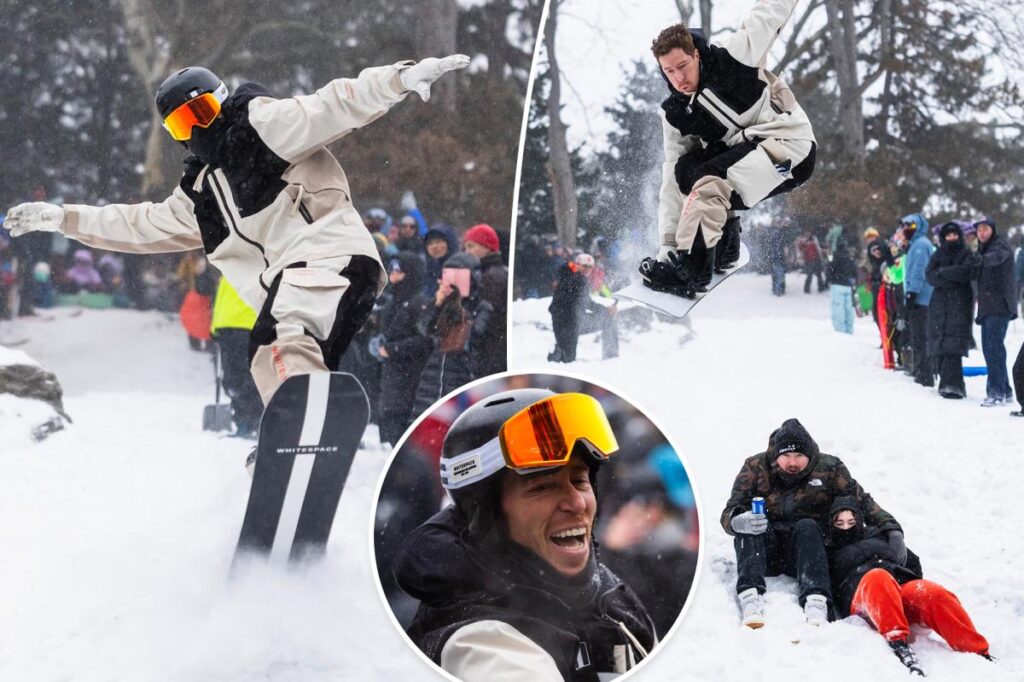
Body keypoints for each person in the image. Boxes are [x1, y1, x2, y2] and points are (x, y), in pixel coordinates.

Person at [6, 56, 468, 419]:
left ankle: (302, 424)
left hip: (329, 257)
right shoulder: (199, 196)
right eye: (182, 125)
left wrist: (399, 79)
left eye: (202, 112)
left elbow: (334, 104)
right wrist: (63, 218)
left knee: (278, 337)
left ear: (221, 101)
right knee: (268, 356)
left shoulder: (261, 125)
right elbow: (136, 225)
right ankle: (292, 440)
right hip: (308, 286)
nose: (197, 129)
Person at [393, 389, 656, 681]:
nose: (577, 503)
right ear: (487, 513)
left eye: (579, 480)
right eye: (543, 487)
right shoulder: (483, 643)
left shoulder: (608, 594)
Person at [639, 0, 816, 298]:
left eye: (683, 66)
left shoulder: (734, 57)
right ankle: (723, 248)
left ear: (696, 55)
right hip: (747, 154)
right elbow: (672, 179)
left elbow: (771, 12)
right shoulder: (676, 114)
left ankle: (691, 271)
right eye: (669, 71)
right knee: (686, 172)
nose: (679, 79)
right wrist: (668, 243)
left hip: (790, 148)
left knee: (710, 180)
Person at [720, 418, 901, 628]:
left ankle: (816, 600)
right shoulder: (755, 466)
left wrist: (892, 529)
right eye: (786, 456)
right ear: (776, 455)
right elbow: (732, 508)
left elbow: (861, 501)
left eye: (799, 456)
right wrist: (736, 521)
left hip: (810, 553)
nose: (793, 462)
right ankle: (750, 597)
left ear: (810, 455)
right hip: (764, 551)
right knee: (750, 522)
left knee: (807, 525)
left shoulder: (830, 468)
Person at [826, 498, 992, 676]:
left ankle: (976, 649)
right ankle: (897, 641)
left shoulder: (877, 535)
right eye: (840, 523)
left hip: (896, 584)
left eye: (851, 522)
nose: (846, 527)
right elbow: (823, 581)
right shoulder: (828, 547)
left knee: (930, 593)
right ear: (831, 524)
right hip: (862, 595)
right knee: (878, 577)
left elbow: (910, 560)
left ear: (859, 520)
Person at [375, 253, 432, 446]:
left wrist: (393, 349)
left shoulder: (420, 304)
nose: (393, 276)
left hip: (411, 378)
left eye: (399, 272)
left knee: (405, 430)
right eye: (391, 271)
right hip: (392, 378)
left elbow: (425, 341)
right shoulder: (392, 303)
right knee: (391, 424)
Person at [926, 222, 979, 399]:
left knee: (954, 344)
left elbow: (965, 272)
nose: (952, 238)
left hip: (960, 304)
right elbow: (930, 275)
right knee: (940, 342)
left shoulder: (966, 253)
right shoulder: (937, 254)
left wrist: (943, 273)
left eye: (954, 235)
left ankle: (954, 386)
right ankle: (945, 382)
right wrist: (949, 276)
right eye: (948, 235)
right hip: (939, 304)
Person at [210, 277, 263, 439]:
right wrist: (216, 325)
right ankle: (244, 422)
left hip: (247, 323)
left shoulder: (253, 264)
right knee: (231, 380)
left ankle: (253, 422)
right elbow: (223, 295)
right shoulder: (228, 268)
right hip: (227, 325)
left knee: (246, 378)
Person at [973, 217, 1016, 406]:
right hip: (988, 306)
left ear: (992, 230)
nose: (982, 233)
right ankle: (1005, 390)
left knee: (993, 349)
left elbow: (994, 259)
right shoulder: (983, 249)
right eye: (979, 230)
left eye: (985, 229)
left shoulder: (1000, 245)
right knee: (993, 349)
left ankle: (996, 393)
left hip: (1000, 305)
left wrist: (978, 259)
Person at [462, 223, 508, 378]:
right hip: (490, 350)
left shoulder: (491, 276)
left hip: (491, 351)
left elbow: (489, 317)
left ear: (487, 247)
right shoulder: (486, 272)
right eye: (465, 247)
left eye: (471, 246)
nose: (467, 251)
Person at [902, 214, 935, 387]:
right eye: (905, 226)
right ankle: (921, 368)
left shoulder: (920, 245)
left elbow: (918, 271)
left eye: (911, 226)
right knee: (917, 335)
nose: (906, 229)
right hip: (920, 298)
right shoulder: (915, 244)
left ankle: (925, 373)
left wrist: (912, 293)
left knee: (921, 336)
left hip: (922, 299)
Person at [865, 227, 894, 332]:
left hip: (880, 281)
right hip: (884, 279)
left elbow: (878, 257)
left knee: (879, 310)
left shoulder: (874, 245)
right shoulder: (883, 244)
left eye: (872, 236)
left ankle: (886, 334)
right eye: (868, 237)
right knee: (885, 309)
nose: (870, 239)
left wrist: (876, 277)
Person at [827, 235, 857, 334]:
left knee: (838, 308)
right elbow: (854, 271)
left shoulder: (834, 256)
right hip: (848, 286)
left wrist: (829, 280)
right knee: (849, 308)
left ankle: (840, 329)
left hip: (837, 285)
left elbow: (830, 269)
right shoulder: (850, 258)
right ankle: (849, 328)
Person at [797, 229, 826, 294]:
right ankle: (806, 289)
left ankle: (821, 288)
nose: (808, 234)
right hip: (808, 260)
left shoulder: (814, 240)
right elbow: (800, 249)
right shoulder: (802, 241)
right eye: (806, 233)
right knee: (809, 275)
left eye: (809, 233)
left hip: (816, 259)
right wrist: (804, 243)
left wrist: (821, 257)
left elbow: (818, 248)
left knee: (819, 275)